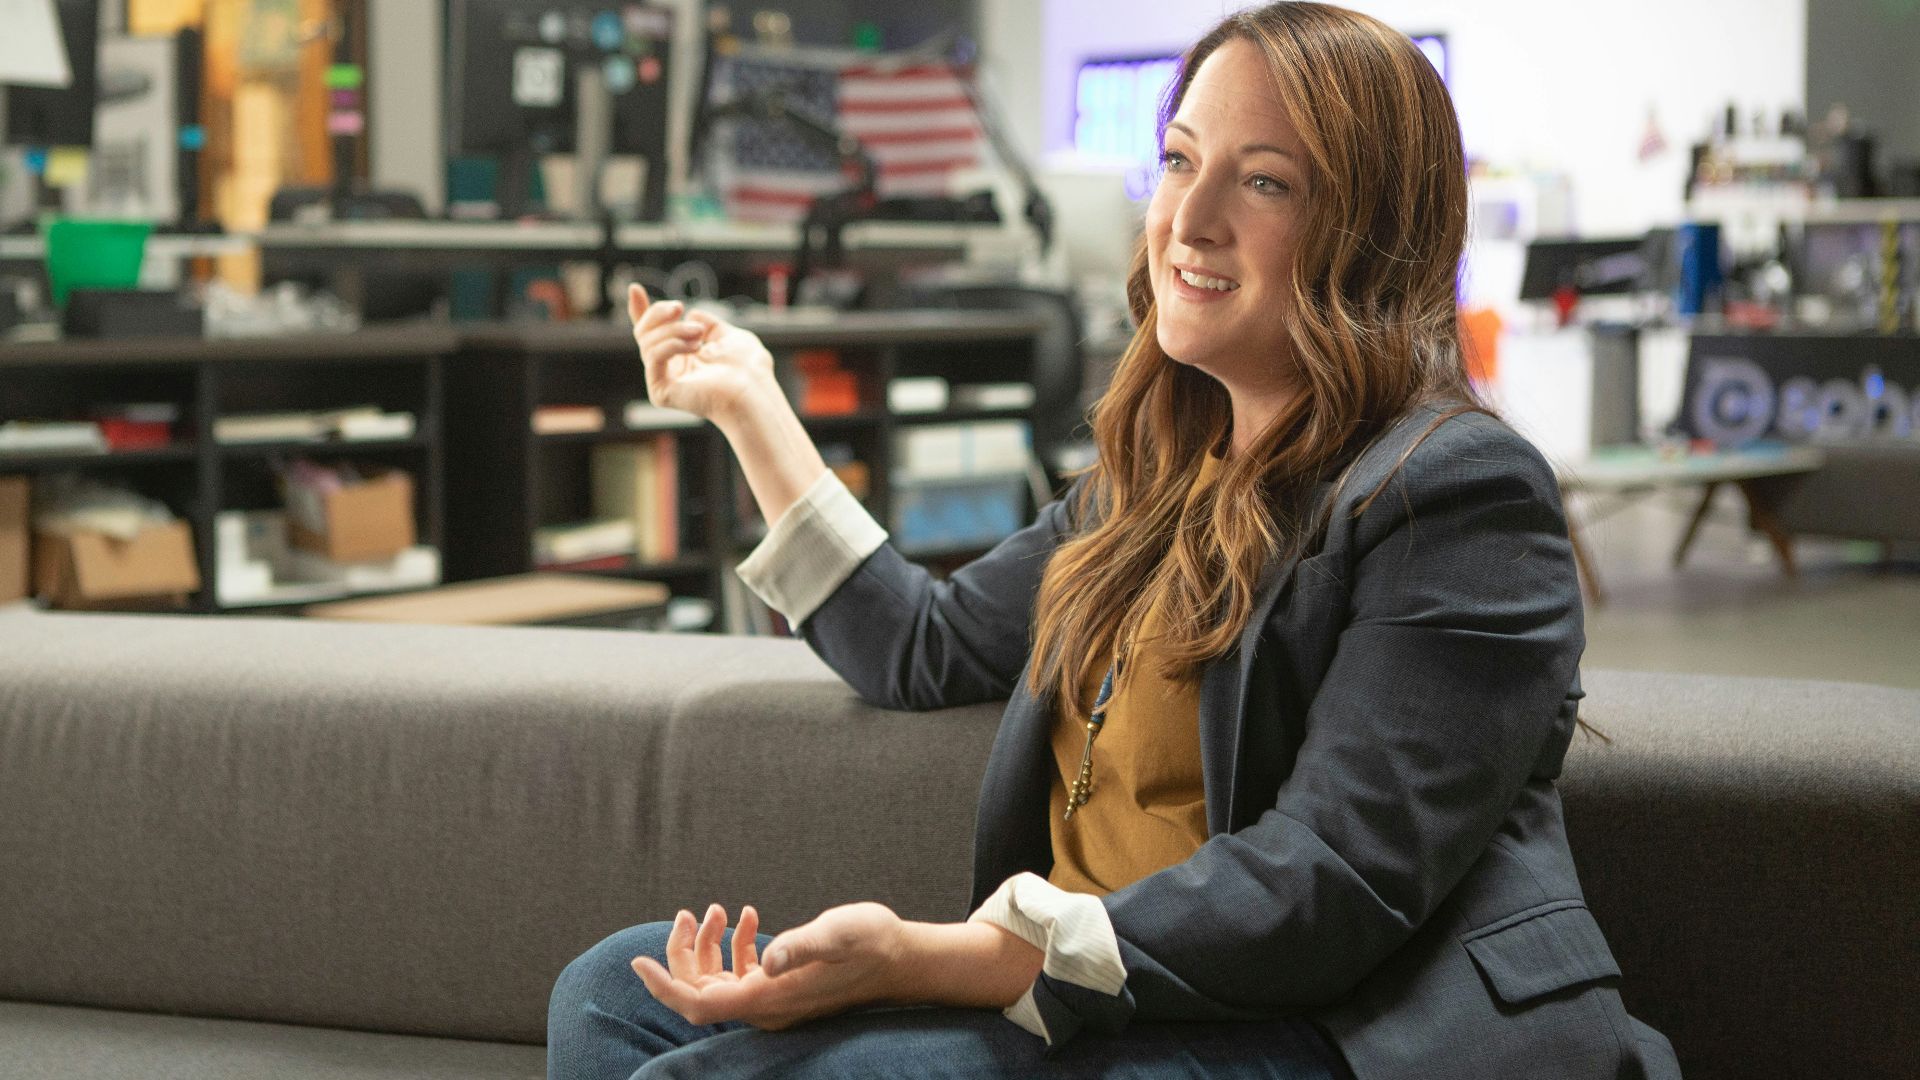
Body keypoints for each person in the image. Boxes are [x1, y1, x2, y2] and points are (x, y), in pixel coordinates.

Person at [548, 4, 1682, 1078]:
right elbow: (921, 645)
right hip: (1101, 1001)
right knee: (608, 991)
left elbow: (1332, 883)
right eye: (1181, 160)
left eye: (1266, 182)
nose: (1190, 222)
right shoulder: (1153, 483)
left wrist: (944, 959)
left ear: (1371, 236)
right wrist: (752, 402)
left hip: (1333, 1031)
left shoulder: (1458, 490)